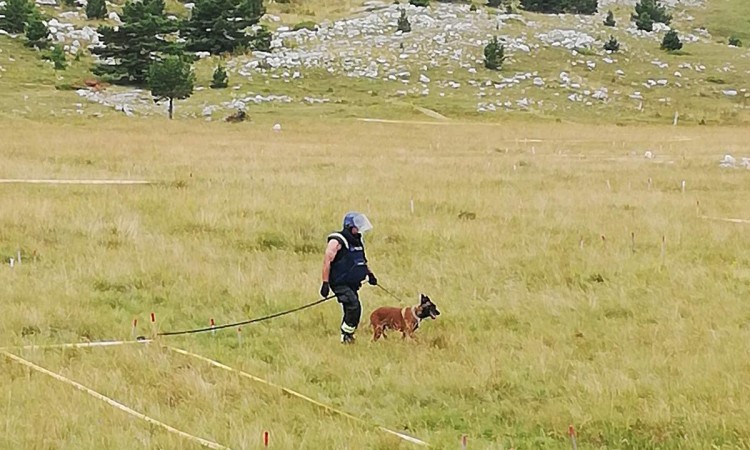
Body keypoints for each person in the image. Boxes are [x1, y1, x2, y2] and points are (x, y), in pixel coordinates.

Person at [320, 211, 378, 344]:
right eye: (357, 226)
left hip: (352, 283)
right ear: (349, 226)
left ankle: (348, 334)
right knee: (353, 305)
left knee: (354, 308)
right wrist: (325, 283)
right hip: (339, 282)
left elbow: (362, 260)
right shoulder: (337, 241)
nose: (359, 230)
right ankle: (346, 334)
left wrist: (370, 274)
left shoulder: (357, 242)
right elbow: (327, 261)